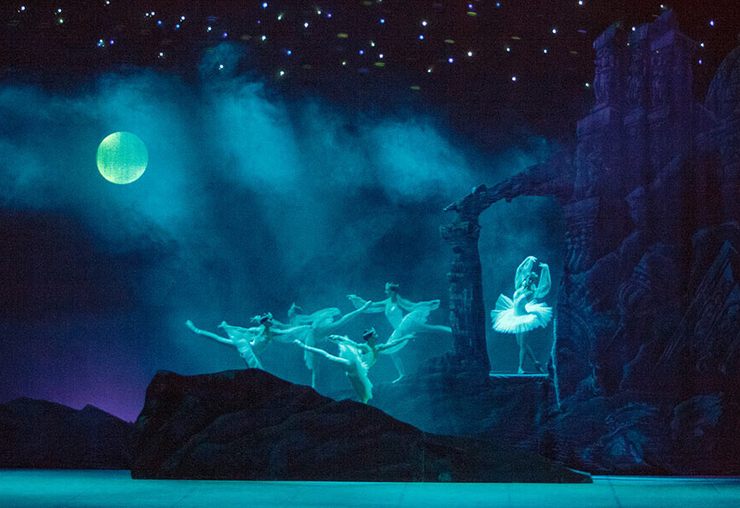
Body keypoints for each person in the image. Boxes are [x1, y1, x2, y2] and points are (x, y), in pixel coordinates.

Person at [347, 282, 450, 383]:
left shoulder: (399, 300)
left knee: (430, 328)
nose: (385, 292)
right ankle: (402, 374)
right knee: (393, 352)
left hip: (406, 324)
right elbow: (371, 305)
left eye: (387, 290)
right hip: (399, 330)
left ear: (392, 291)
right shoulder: (387, 302)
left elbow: (412, 305)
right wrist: (356, 298)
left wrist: (428, 304)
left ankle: (450, 330)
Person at [292, 328, 413, 403]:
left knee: (364, 395)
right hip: (354, 366)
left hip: (360, 372)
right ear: (370, 337)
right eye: (375, 335)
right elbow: (352, 343)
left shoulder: (378, 348)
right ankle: (304, 346)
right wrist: (338, 338)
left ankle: (359, 407)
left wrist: (405, 337)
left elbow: (392, 344)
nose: (377, 336)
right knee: (328, 356)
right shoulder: (364, 347)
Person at [274, 301, 374, 388]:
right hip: (315, 347)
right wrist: (362, 308)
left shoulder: (314, 327)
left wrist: (362, 308)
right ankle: (315, 388)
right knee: (316, 371)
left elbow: (288, 327)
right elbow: (344, 319)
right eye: (329, 318)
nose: (331, 320)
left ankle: (316, 388)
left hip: (315, 346)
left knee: (317, 370)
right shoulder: (318, 328)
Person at [490, 256, 552, 374]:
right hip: (514, 316)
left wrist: (546, 269)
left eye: (532, 281)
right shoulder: (519, 286)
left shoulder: (532, 292)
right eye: (529, 279)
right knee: (521, 344)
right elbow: (519, 270)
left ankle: (520, 368)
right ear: (526, 278)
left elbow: (545, 286)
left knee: (522, 344)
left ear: (533, 282)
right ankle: (536, 362)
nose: (529, 281)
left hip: (524, 318)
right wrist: (528, 259)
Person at [185, 313, 309, 370]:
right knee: (219, 339)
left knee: (253, 365)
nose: (271, 321)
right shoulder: (258, 329)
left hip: (254, 350)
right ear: (264, 322)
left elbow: (288, 331)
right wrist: (228, 327)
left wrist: (303, 327)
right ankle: (196, 330)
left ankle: (254, 378)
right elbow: (242, 329)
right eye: (269, 320)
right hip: (246, 346)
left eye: (271, 320)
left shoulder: (273, 332)